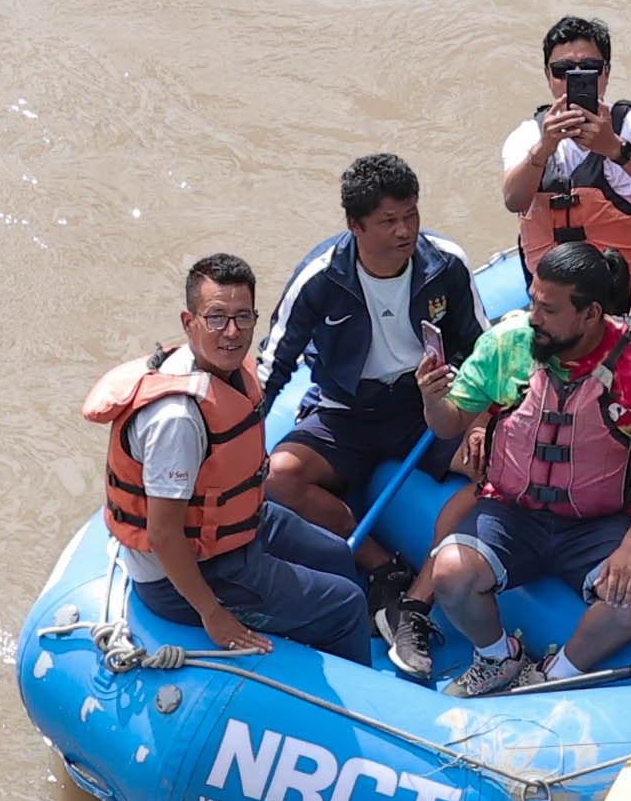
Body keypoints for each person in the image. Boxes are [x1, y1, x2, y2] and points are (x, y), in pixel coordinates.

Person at [84, 252, 397, 658]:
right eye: (216, 318)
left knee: (338, 555)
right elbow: (163, 534)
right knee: (345, 604)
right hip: (191, 572)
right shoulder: (177, 420)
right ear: (188, 322)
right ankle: (355, 701)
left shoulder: (226, 370)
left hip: (240, 528)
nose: (231, 332)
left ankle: (308, 631)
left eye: (243, 317)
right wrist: (212, 614)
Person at [417, 239, 631, 692]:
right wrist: (431, 399)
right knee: (449, 573)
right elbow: (448, 425)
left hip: (597, 525)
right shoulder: (508, 343)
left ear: (590, 314)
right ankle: (497, 657)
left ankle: (552, 676)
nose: (534, 318)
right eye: (533, 302)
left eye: (549, 309)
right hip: (510, 513)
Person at [258, 147, 481, 528]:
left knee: (499, 463)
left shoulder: (447, 263)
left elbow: (482, 349)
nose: (405, 230)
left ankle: (437, 570)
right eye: (388, 221)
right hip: (347, 412)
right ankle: (376, 563)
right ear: (355, 225)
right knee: (278, 477)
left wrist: (479, 421)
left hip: (427, 406)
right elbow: (272, 367)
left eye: (411, 215)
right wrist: (236, 443)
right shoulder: (318, 278)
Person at [496, 12, 631, 277]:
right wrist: (543, 150)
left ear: (607, 71)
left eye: (589, 67)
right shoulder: (527, 136)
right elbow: (513, 200)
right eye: (561, 70)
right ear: (547, 75)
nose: (574, 77)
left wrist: (614, 147)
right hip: (555, 307)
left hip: (629, 295)